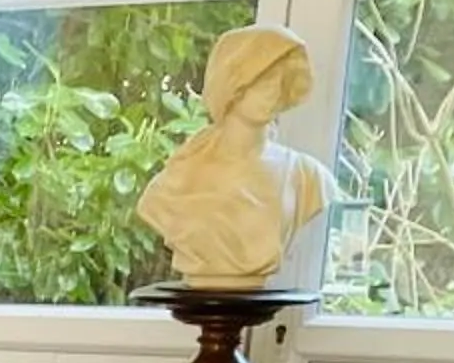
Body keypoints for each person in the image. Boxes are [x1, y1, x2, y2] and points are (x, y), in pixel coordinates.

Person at [136, 24, 333, 289]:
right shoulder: (178, 179)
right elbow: (153, 208)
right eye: (261, 79)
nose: (272, 89)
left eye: (278, 78)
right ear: (232, 84)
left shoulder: (307, 177)